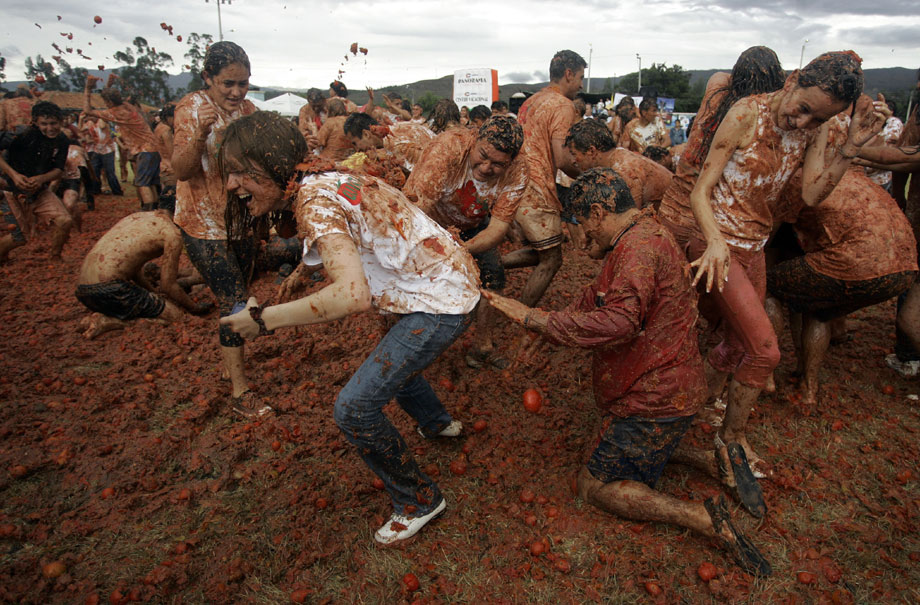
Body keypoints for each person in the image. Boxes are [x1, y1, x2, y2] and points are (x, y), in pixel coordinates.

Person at [483, 168, 771, 577]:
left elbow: (619, 321)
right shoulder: (640, 234)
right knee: (624, 443)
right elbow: (595, 294)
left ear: (598, 212)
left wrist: (536, 319)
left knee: (594, 486)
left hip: (657, 398)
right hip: (671, 389)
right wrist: (550, 325)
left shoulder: (637, 249)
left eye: (581, 224)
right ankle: (711, 459)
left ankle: (702, 517)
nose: (582, 238)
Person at [216, 112, 481, 544]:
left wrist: (262, 321)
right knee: (392, 359)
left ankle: (418, 499)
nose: (231, 185)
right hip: (439, 280)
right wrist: (303, 270)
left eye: (240, 173)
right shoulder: (321, 177)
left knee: (353, 409)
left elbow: (351, 295)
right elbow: (344, 234)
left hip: (440, 301)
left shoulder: (314, 201)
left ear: (272, 164)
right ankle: (436, 422)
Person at [686, 51, 888, 507]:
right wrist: (714, 240)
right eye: (802, 108)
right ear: (794, 79)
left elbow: (814, 192)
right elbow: (702, 189)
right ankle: (730, 441)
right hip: (717, 242)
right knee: (765, 350)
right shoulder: (746, 114)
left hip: (754, 245)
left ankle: (689, 411)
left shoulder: (817, 129)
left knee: (738, 344)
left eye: (816, 117)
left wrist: (850, 148)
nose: (801, 122)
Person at [766, 134, 917, 403]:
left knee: (767, 286)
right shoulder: (855, 175)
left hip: (855, 263)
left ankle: (763, 375)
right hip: (903, 268)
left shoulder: (798, 179)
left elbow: (767, 239)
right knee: (818, 308)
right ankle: (809, 388)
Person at [170, 40, 258, 414]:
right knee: (235, 301)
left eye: (243, 83)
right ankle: (240, 392)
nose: (237, 92)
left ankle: (229, 362)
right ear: (208, 78)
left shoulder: (249, 110)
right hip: (203, 223)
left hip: (240, 220)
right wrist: (198, 137)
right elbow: (182, 170)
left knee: (241, 292)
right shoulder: (192, 109)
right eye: (228, 84)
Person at [404, 116, 527, 369]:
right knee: (419, 279)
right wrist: (433, 249)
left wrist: (461, 249)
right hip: (428, 221)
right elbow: (415, 210)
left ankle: (482, 345)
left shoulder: (519, 171)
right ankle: (405, 344)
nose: (485, 168)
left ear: (511, 161)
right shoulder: (448, 149)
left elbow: (498, 228)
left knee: (493, 277)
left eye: (497, 164)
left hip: (472, 226)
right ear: (474, 140)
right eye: (482, 155)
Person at [659, 45, 786, 248]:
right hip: (711, 220)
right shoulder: (758, 120)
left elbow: (722, 76)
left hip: (676, 208)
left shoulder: (716, 89)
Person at [501, 49, 584, 307]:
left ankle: (491, 264)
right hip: (536, 187)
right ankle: (523, 314)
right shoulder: (563, 105)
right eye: (581, 77)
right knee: (552, 259)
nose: (581, 85)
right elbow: (562, 159)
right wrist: (589, 175)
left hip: (517, 183)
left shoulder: (531, 100)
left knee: (544, 252)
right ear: (568, 74)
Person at [76, 211, 213, 339]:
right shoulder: (172, 234)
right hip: (111, 289)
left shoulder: (138, 217)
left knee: (150, 304)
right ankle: (112, 321)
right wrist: (194, 308)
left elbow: (132, 268)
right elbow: (168, 285)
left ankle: (110, 313)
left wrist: (152, 292)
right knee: (177, 317)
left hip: (84, 291)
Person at [0, 100, 73, 262]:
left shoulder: (62, 140)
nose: (50, 128)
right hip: (12, 191)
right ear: (35, 123)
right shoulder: (20, 134)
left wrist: (40, 179)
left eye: (54, 123)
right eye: (44, 124)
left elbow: (58, 170)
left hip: (39, 190)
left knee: (65, 220)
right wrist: (14, 175)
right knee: (20, 237)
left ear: (61, 122)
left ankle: (55, 257)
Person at [82, 80, 161, 210]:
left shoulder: (115, 113)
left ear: (109, 102)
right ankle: (156, 211)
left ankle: (148, 213)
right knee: (150, 183)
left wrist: (88, 89)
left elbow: (87, 110)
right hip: (152, 148)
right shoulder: (128, 106)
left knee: (142, 184)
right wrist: (108, 85)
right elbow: (112, 100)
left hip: (144, 150)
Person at [565, 118, 673, 210]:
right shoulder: (617, 157)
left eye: (574, 154)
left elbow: (629, 221)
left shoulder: (624, 170)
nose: (572, 161)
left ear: (591, 151)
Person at [343, 112, 434, 173]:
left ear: (366, 134)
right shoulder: (398, 127)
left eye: (355, 143)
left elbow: (420, 173)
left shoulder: (396, 145)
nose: (357, 150)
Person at [80, 114, 123, 196]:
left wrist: (99, 117)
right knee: (94, 170)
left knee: (109, 172)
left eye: (92, 116)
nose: (90, 118)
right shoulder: (89, 124)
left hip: (108, 150)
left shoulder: (102, 122)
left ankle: (117, 191)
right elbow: (80, 130)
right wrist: (81, 119)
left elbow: (103, 127)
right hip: (97, 150)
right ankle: (96, 190)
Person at [154, 105, 177, 214]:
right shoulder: (166, 130)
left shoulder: (159, 127)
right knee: (169, 203)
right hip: (171, 169)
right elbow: (172, 153)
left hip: (165, 167)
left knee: (168, 200)